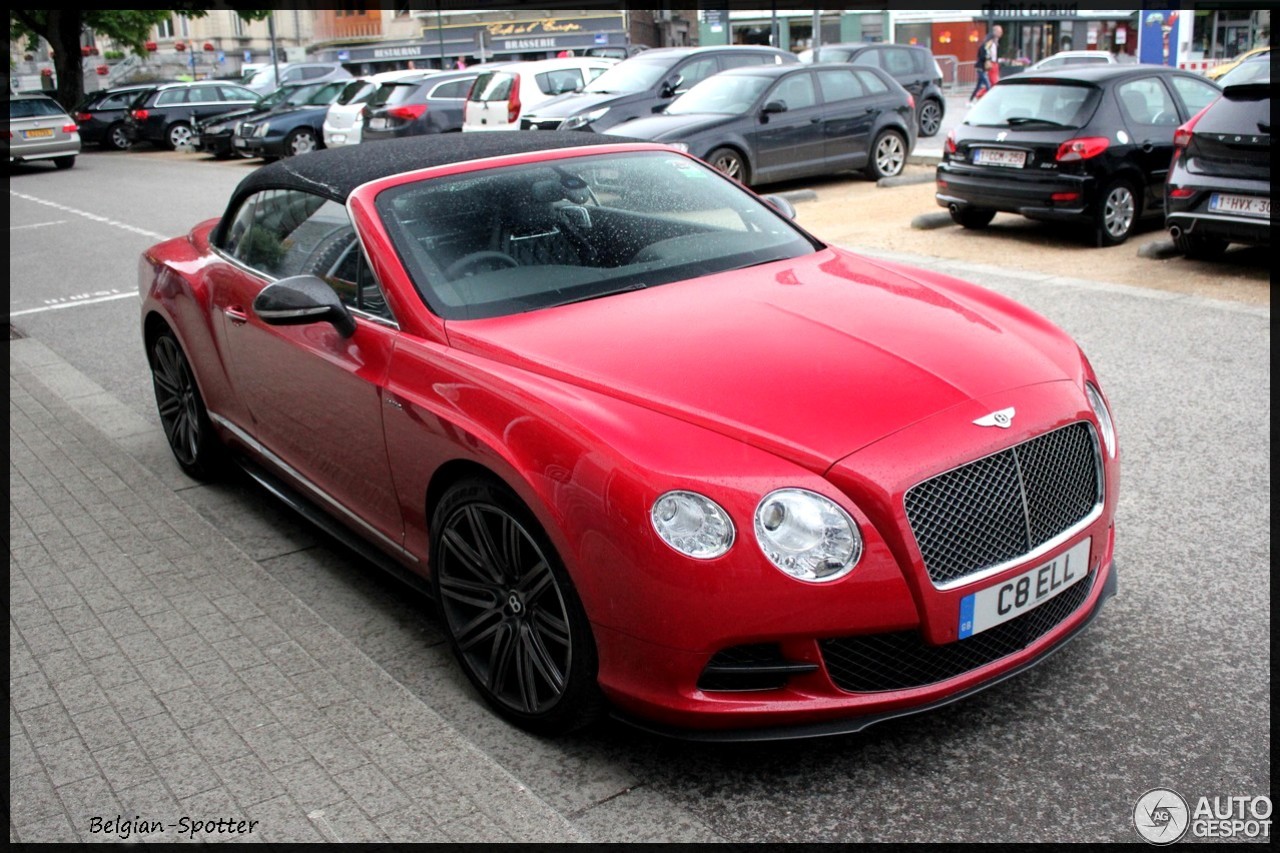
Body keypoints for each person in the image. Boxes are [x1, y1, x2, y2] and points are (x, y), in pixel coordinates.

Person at [969, 24, 1003, 104]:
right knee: (992, 83)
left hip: (993, 63)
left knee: (984, 84)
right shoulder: (990, 42)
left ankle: (979, 95)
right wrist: (988, 60)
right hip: (990, 64)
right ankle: (991, 98)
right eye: (999, 31)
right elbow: (985, 51)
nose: (1001, 33)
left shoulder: (995, 42)